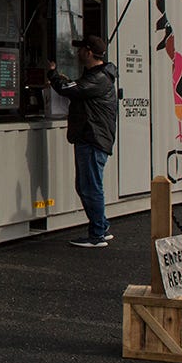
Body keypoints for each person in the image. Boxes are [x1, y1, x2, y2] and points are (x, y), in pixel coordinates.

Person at [48, 34, 119, 247]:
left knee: (89, 186)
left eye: (80, 50)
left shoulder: (98, 78)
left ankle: (97, 234)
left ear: (88, 52)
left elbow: (69, 89)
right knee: (88, 185)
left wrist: (53, 74)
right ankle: (101, 226)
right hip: (92, 137)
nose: (77, 53)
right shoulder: (98, 75)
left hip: (92, 138)